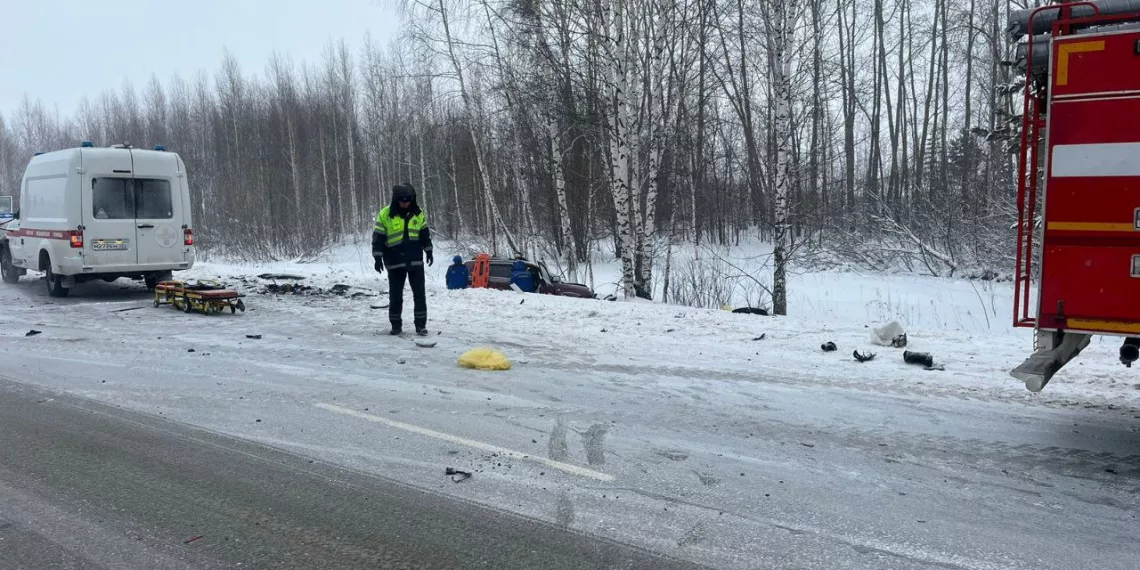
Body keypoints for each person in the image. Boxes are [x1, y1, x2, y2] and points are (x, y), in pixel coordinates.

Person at [373, 183, 433, 335]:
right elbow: (378, 238)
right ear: (396, 200)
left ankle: (421, 325)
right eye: (402, 200)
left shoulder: (418, 213)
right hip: (394, 261)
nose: (405, 203)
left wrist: (429, 251)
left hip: (415, 260)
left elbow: (425, 234)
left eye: (408, 200)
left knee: (419, 294)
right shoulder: (385, 214)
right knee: (396, 295)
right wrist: (377, 257)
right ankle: (396, 325)